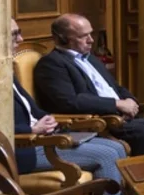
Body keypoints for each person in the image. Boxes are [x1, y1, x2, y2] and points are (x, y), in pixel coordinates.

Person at [34, 13, 144, 155]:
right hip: (100, 122)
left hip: (122, 119)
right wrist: (116, 104)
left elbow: (114, 87)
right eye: (84, 36)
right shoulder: (52, 64)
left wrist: (129, 100)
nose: (91, 40)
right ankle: (139, 181)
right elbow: (70, 101)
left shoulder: (90, 58)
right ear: (63, 38)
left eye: (91, 34)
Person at [10, 20, 128, 184]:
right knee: (108, 155)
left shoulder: (7, 72)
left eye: (20, 32)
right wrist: (32, 128)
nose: (21, 39)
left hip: (46, 136)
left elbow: (32, 110)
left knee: (117, 147)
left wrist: (49, 119)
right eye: (14, 34)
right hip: (25, 147)